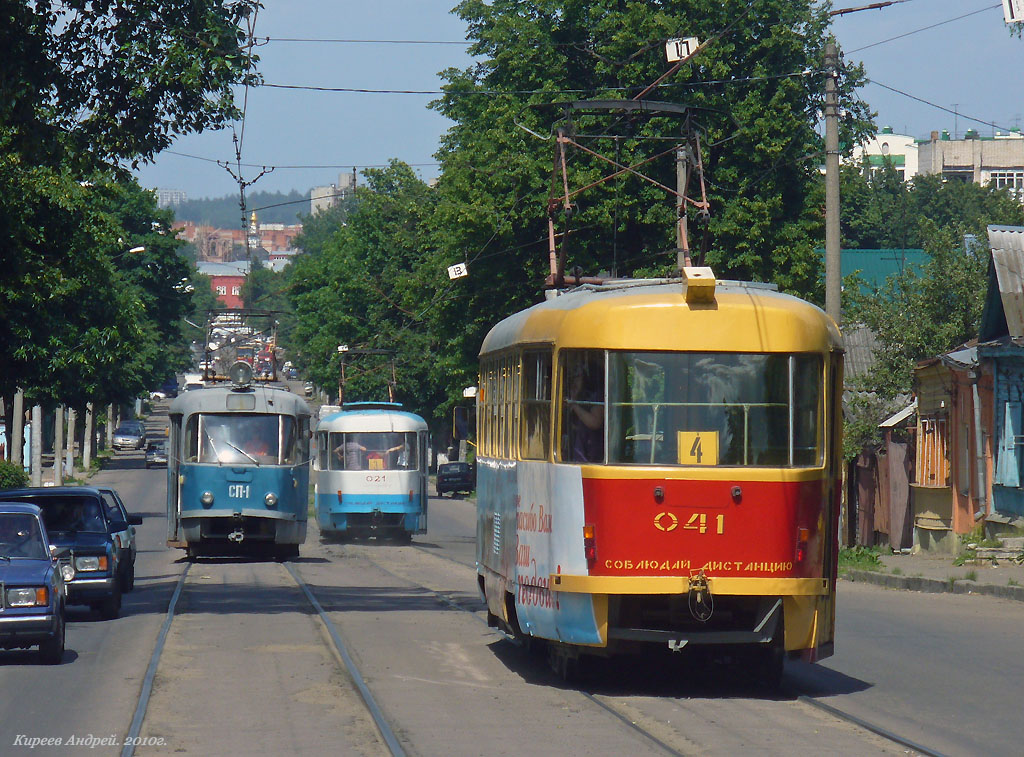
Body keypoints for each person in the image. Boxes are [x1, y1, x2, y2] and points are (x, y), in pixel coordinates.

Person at [566, 363, 604, 463]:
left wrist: (574, 405)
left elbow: (595, 422)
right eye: (572, 378)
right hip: (576, 453)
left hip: (591, 455)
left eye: (578, 377)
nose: (574, 382)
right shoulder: (576, 396)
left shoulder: (596, 395)